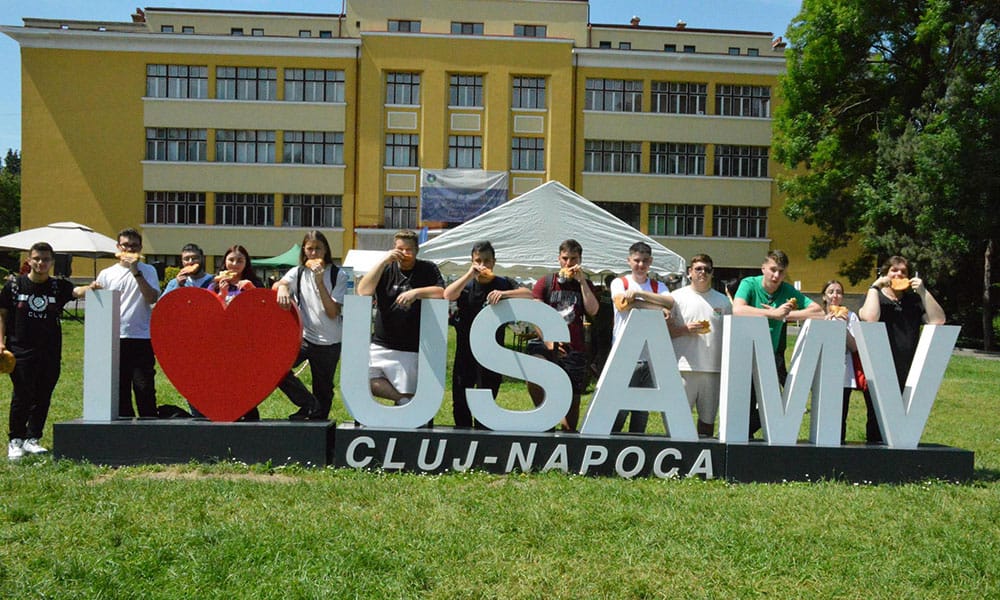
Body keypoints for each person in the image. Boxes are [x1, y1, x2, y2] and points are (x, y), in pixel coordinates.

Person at [1, 242, 98, 459]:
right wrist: (1, 342)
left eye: (45, 259)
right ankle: (15, 440)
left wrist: (91, 287)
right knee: (23, 395)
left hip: (50, 351)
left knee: (43, 395)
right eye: (36, 258)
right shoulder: (15, 285)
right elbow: (3, 315)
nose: (41, 263)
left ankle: (32, 439)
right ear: (29, 260)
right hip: (20, 349)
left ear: (52, 262)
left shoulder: (57, 286)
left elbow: (76, 291)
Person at [732, 250, 823, 436]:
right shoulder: (749, 284)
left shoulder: (787, 290)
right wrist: (772, 314)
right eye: (772, 270)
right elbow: (738, 309)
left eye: (781, 272)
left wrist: (785, 315)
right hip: (745, 353)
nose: (776, 276)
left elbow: (818, 312)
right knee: (744, 404)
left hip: (770, 355)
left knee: (774, 405)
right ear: (763, 268)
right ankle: (741, 437)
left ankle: (746, 435)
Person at [443, 241, 533, 428]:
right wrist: (470, 274)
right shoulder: (466, 285)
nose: (482, 265)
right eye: (478, 261)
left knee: (487, 399)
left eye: (487, 261)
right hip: (465, 351)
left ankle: (482, 437)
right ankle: (462, 436)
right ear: (472, 261)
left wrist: (505, 294)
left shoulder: (503, 283)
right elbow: (447, 295)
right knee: (460, 401)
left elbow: (528, 294)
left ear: (494, 262)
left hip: (493, 353)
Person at [858, 256, 945, 444]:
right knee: (877, 417)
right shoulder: (875, 297)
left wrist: (923, 292)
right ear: (885, 273)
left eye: (903, 272)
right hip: (880, 367)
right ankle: (876, 453)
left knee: (905, 418)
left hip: (908, 368)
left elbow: (938, 320)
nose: (898, 275)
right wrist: (874, 287)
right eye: (894, 270)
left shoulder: (914, 301)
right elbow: (870, 318)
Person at [357, 229, 445, 406]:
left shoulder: (427, 269)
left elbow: (441, 292)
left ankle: (404, 403)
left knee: (409, 395)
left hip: (410, 346)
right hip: (381, 343)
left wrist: (416, 293)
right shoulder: (385, 269)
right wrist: (383, 261)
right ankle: (400, 399)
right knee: (362, 380)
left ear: (416, 250)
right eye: (400, 249)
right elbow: (363, 291)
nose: (404, 253)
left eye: (409, 249)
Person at [275, 231, 348, 421]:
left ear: (326, 250)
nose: (314, 253)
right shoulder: (298, 272)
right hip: (304, 338)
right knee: (277, 368)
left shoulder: (338, 275)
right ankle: (308, 403)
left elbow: (332, 312)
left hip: (329, 342)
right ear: (304, 251)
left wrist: (319, 282)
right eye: (310, 249)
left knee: (323, 388)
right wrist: (282, 287)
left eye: (318, 249)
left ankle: (318, 422)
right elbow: (280, 284)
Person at [529, 239, 599, 432]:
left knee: (572, 408)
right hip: (548, 344)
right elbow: (535, 315)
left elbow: (593, 310)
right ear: (559, 259)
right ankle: (546, 417)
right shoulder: (546, 282)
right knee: (534, 374)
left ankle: (566, 436)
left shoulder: (585, 284)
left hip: (574, 347)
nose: (568, 263)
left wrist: (582, 281)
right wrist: (548, 339)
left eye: (573, 259)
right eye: (565, 258)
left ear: (580, 260)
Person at [609, 242, 675, 434]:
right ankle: (611, 441)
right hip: (624, 352)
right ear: (629, 261)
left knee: (642, 408)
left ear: (651, 262)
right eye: (637, 260)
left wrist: (638, 295)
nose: (641, 265)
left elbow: (670, 302)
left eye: (645, 261)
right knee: (618, 407)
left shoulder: (658, 285)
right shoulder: (620, 283)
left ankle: (637, 442)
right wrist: (657, 307)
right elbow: (622, 305)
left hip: (650, 355)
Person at [96, 228, 161, 419]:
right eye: (125, 245)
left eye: (134, 246)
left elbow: (151, 298)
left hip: (141, 336)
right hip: (115, 338)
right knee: (120, 390)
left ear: (140, 248)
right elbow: (100, 304)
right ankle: (124, 429)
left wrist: (136, 272)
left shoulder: (149, 271)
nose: (129, 249)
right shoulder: (107, 274)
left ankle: (149, 425)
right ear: (118, 247)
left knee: (144, 387)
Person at [668, 254, 732, 438]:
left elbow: (730, 334)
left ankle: (705, 453)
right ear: (690, 272)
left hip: (713, 369)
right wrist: (685, 329)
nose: (702, 272)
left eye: (707, 269)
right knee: (679, 420)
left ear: (712, 273)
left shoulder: (723, 301)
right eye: (698, 269)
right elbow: (665, 331)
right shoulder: (675, 298)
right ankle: (679, 453)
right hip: (683, 367)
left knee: (707, 421)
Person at [208, 244, 264, 421]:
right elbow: (209, 312)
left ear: (246, 263)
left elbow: (264, 310)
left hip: (246, 341)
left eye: (240, 260)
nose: (235, 264)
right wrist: (222, 295)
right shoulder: (214, 284)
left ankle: (250, 419)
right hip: (222, 342)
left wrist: (252, 291)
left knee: (245, 385)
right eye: (231, 260)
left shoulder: (253, 283)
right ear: (224, 262)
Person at [820, 279, 865, 443]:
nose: (835, 295)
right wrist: (825, 327)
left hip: (844, 374)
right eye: (831, 292)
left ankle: (839, 444)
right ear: (824, 296)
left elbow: (855, 347)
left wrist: (843, 327)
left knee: (840, 415)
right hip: (823, 372)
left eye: (839, 292)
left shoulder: (851, 316)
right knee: (823, 414)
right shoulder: (818, 316)